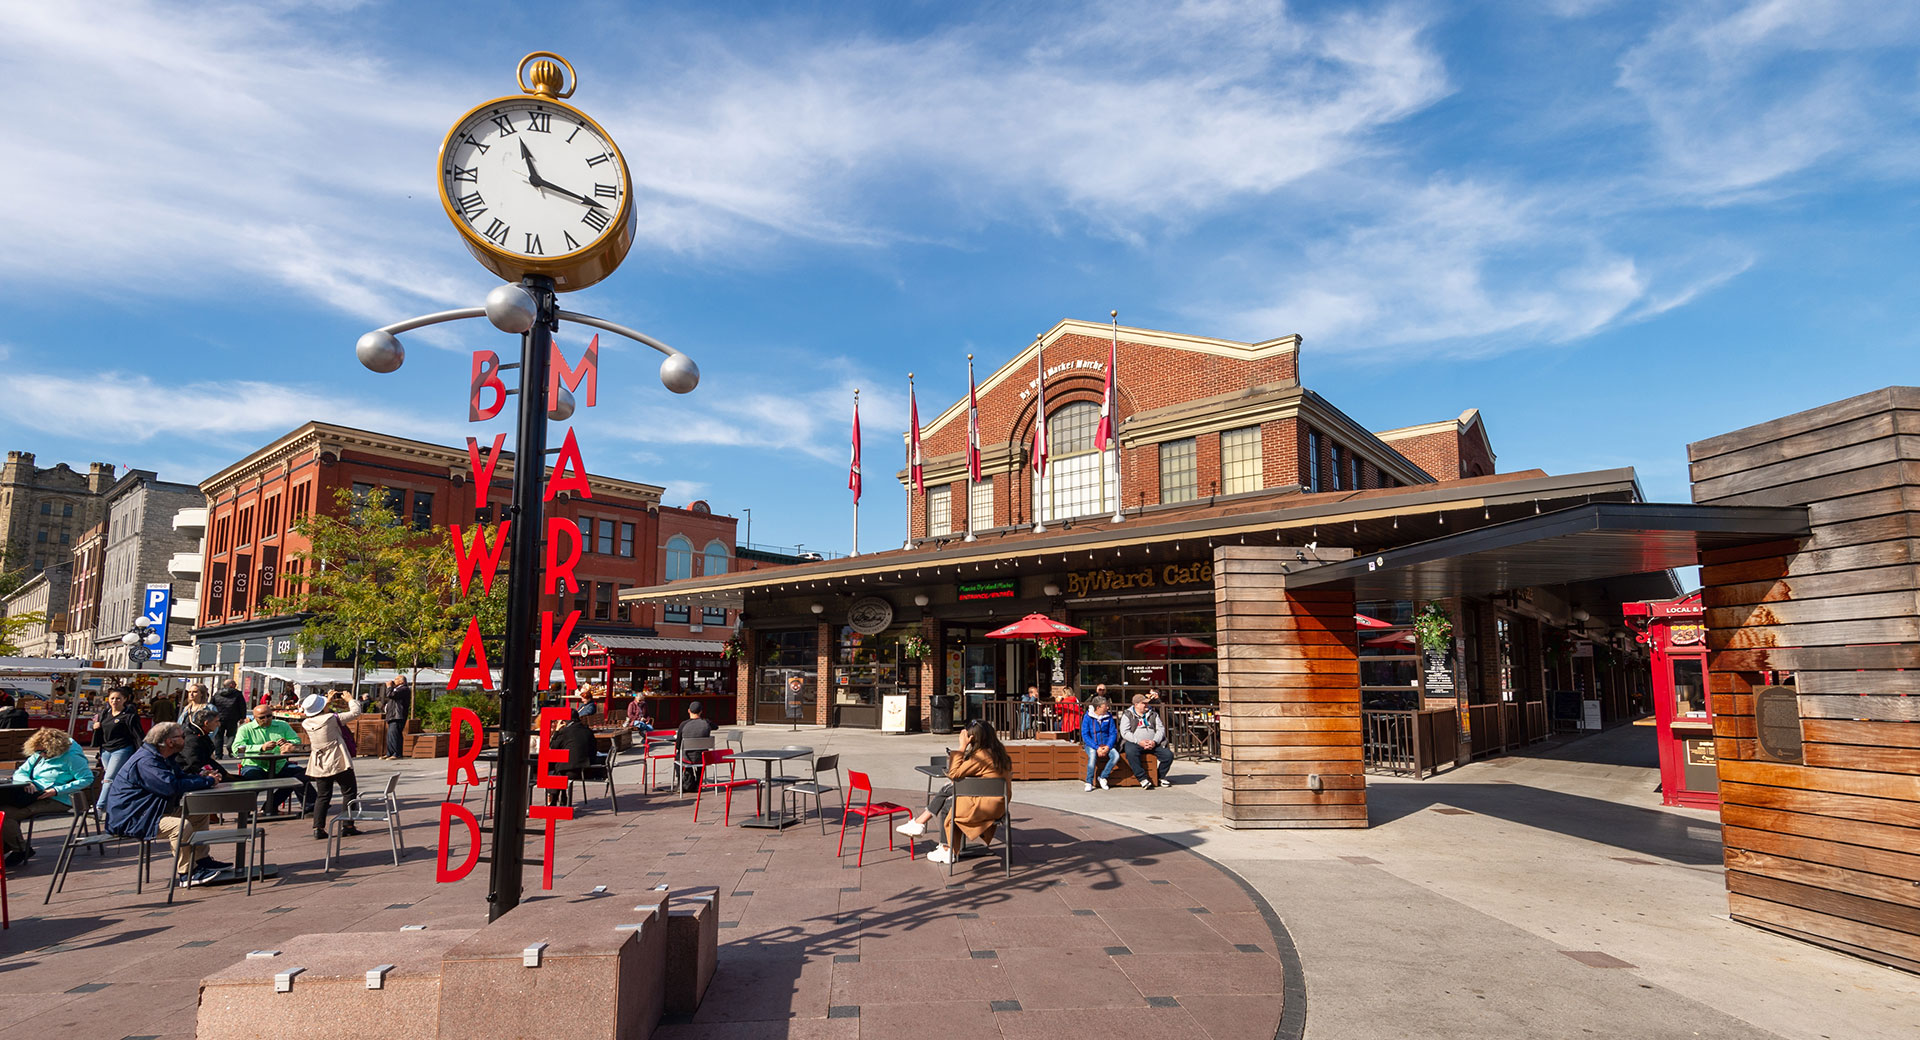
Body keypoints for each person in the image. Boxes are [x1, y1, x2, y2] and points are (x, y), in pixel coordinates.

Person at [99, 722, 224, 886]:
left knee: (199, 814)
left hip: (150, 811)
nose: (185, 739)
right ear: (169, 741)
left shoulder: (162, 757)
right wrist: (207, 781)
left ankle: (201, 860)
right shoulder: (146, 761)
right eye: (182, 736)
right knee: (180, 826)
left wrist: (204, 778)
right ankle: (187, 873)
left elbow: (180, 777)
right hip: (134, 817)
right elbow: (170, 787)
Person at [895, 718, 1011, 864]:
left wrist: (962, 747)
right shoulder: (999, 754)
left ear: (973, 738)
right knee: (949, 789)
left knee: (949, 801)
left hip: (984, 807)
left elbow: (954, 773)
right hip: (999, 804)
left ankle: (944, 848)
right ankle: (923, 826)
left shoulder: (981, 756)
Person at [3, 728, 93, 867]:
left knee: (6, 814)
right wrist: (28, 782)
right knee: (4, 808)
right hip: (34, 794)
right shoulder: (39, 753)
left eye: (43, 751)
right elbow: (21, 771)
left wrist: (56, 790)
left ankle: (20, 849)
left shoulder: (72, 757)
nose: (40, 754)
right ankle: (10, 843)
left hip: (59, 798)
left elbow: (86, 779)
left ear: (53, 748)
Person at [300, 692, 362, 841]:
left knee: (323, 796)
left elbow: (320, 713)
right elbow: (355, 712)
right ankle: (347, 825)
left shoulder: (306, 723)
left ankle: (318, 828)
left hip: (319, 762)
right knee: (349, 792)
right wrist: (350, 699)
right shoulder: (331, 719)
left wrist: (326, 703)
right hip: (338, 759)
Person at [233, 701, 311, 815]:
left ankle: (309, 806)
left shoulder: (282, 725)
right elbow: (236, 749)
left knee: (300, 775)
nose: (266, 719)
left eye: (269, 716)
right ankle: (245, 812)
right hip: (255, 764)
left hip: (279, 764)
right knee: (251, 780)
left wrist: (287, 742)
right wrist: (261, 747)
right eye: (262, 717)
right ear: (254, 717)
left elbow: (297, 740)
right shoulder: (245, 729)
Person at [91, 686, 147, 798]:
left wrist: (143, 750)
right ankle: (118, 800)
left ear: (125, 699)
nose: (114, 701)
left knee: (108, 779)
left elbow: (138, 734)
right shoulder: (105, 713)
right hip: (106, 750)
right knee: (115, 777)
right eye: (112, 698)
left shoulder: (129, 716)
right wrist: (96, 727)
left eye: (118, 698)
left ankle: (100, 806)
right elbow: (103, 731)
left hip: (122, 749)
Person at [543, 705, 600, 805]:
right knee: (560, 769)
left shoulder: (565, 732)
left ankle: (553, 800)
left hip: (570, 770)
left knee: (558, 771)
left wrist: (556, 731)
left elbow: (553, 747)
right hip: (587, 769)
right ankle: (562, 798)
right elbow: (593, 750)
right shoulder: (588, 731)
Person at [1120, 692, 1174, 789]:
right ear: (1136, 705)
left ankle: (1159, 777)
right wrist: (1139, 741)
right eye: (1143, 703)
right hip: (1135, 742)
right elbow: (1125, 732)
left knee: (1168, 755)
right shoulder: (1127, 715)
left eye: (1146, 703)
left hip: (1152, 743)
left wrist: (1154, 741)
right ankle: (1142, 778)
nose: (1146, 705)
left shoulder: (1153, 714)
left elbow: (1160, 729)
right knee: (1130, 752)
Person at [176, 706, 238, 781]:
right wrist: (210, 773)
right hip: (192, 776)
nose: (218, 724)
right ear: (206, 723)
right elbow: (194, 763)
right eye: (216, 721)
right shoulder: (192, 739)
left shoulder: (201, 734)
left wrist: (224, 773)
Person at [1080, 695, 1120, 791]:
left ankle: (1103, 777)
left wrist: (1108, 746)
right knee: (1093, 756)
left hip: (1106, 744)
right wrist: (1096, 747)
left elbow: (1113, 733)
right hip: (1092, 745)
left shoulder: (1109, 716)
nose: (1107, 708)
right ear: (1098, 707)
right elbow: (1085, 735)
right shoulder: (1087, 717)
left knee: (1116, 756)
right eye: (1105, 706)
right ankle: (1089, 781)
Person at [675, 699, 715, 792]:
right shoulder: (706, 723)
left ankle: (680, 783)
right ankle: (698, 783)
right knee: (701, 754)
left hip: (686, 757)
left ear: (689, 711)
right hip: (703, 757)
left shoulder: (683, 724)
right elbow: (716, 726)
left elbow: (678, 745)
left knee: (677, 757)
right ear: (701, 711)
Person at [210, 681, 247, 755]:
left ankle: (218, 754)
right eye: (235, 684)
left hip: (219, 718)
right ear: (231, 685)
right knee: (232, 734)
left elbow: (212, 705)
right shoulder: (237, 694)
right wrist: (242, 717)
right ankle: (230, 746)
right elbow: (242, 706)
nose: (236, 686)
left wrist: (213, 716)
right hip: (232, 718)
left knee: (218, 736)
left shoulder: (217, 693)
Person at [382, 676, 412, 760]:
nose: (393, 680)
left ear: (401, 681)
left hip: (398, 715)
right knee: (390, 735)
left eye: (396, 679)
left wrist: (389, 687)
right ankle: (390, 753)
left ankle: (397, 753)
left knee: (395, 735)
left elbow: (391, 695)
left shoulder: (404, 689)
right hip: (392, 715)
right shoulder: (396, 689)